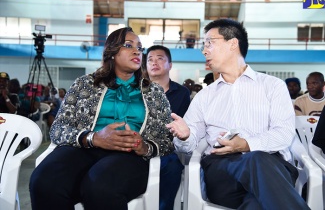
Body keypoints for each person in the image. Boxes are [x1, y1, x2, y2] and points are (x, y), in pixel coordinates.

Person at [166, 19, 309, 209]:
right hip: (223, 171)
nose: (204, 50)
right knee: (257, 164)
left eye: (210, 42)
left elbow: (283, 134)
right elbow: (189, 145)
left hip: (271, 165)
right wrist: (184, 136)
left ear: (233, 43)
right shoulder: (205, 96)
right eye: (204, 45)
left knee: (256, 200)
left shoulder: (272, 86)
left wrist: (246, 144)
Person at [29, 27, 175, 210]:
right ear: (112, 52)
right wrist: (93, 138)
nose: (137, 51)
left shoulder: (154, 92)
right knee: (44, 182)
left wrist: (145, 147)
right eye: (128, 45)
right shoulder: (85, 84)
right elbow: (58, 128)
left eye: (140, 47)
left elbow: (167, 140)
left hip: (128, 156)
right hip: (83, 148)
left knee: (100, 187)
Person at [143, 45, 191, 210]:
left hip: (167, 150)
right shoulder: (136, 91)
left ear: (170, 65)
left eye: (160, 58)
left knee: (172, 166)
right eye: (150, 59)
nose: (154, 63)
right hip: (138, 147)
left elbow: (184, 125)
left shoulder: (182, 93)